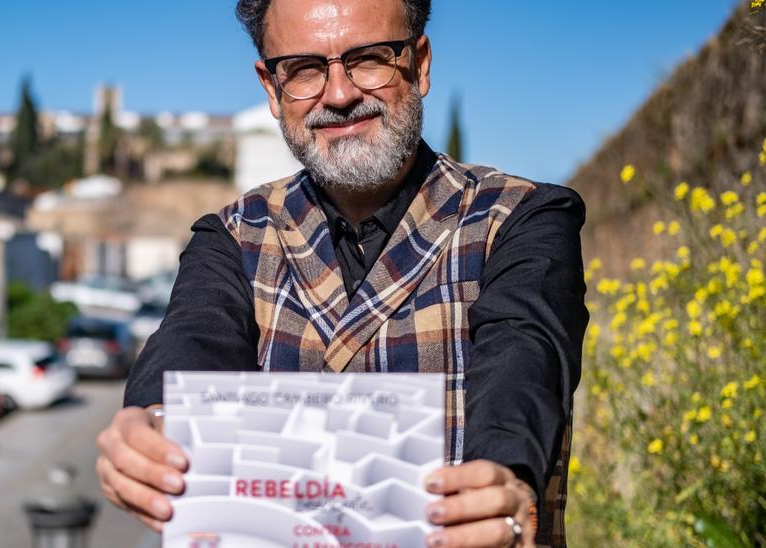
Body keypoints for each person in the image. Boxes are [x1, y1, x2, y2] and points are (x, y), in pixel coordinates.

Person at [95, 0, 588, 546]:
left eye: (369, 59)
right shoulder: (234, 235)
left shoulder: (519, 218)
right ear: (271, 87)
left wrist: (503, 471)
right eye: (304, 69)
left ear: (420, 64)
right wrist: (153, 421)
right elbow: (190, 338)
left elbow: (525, 356)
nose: (339, 94)